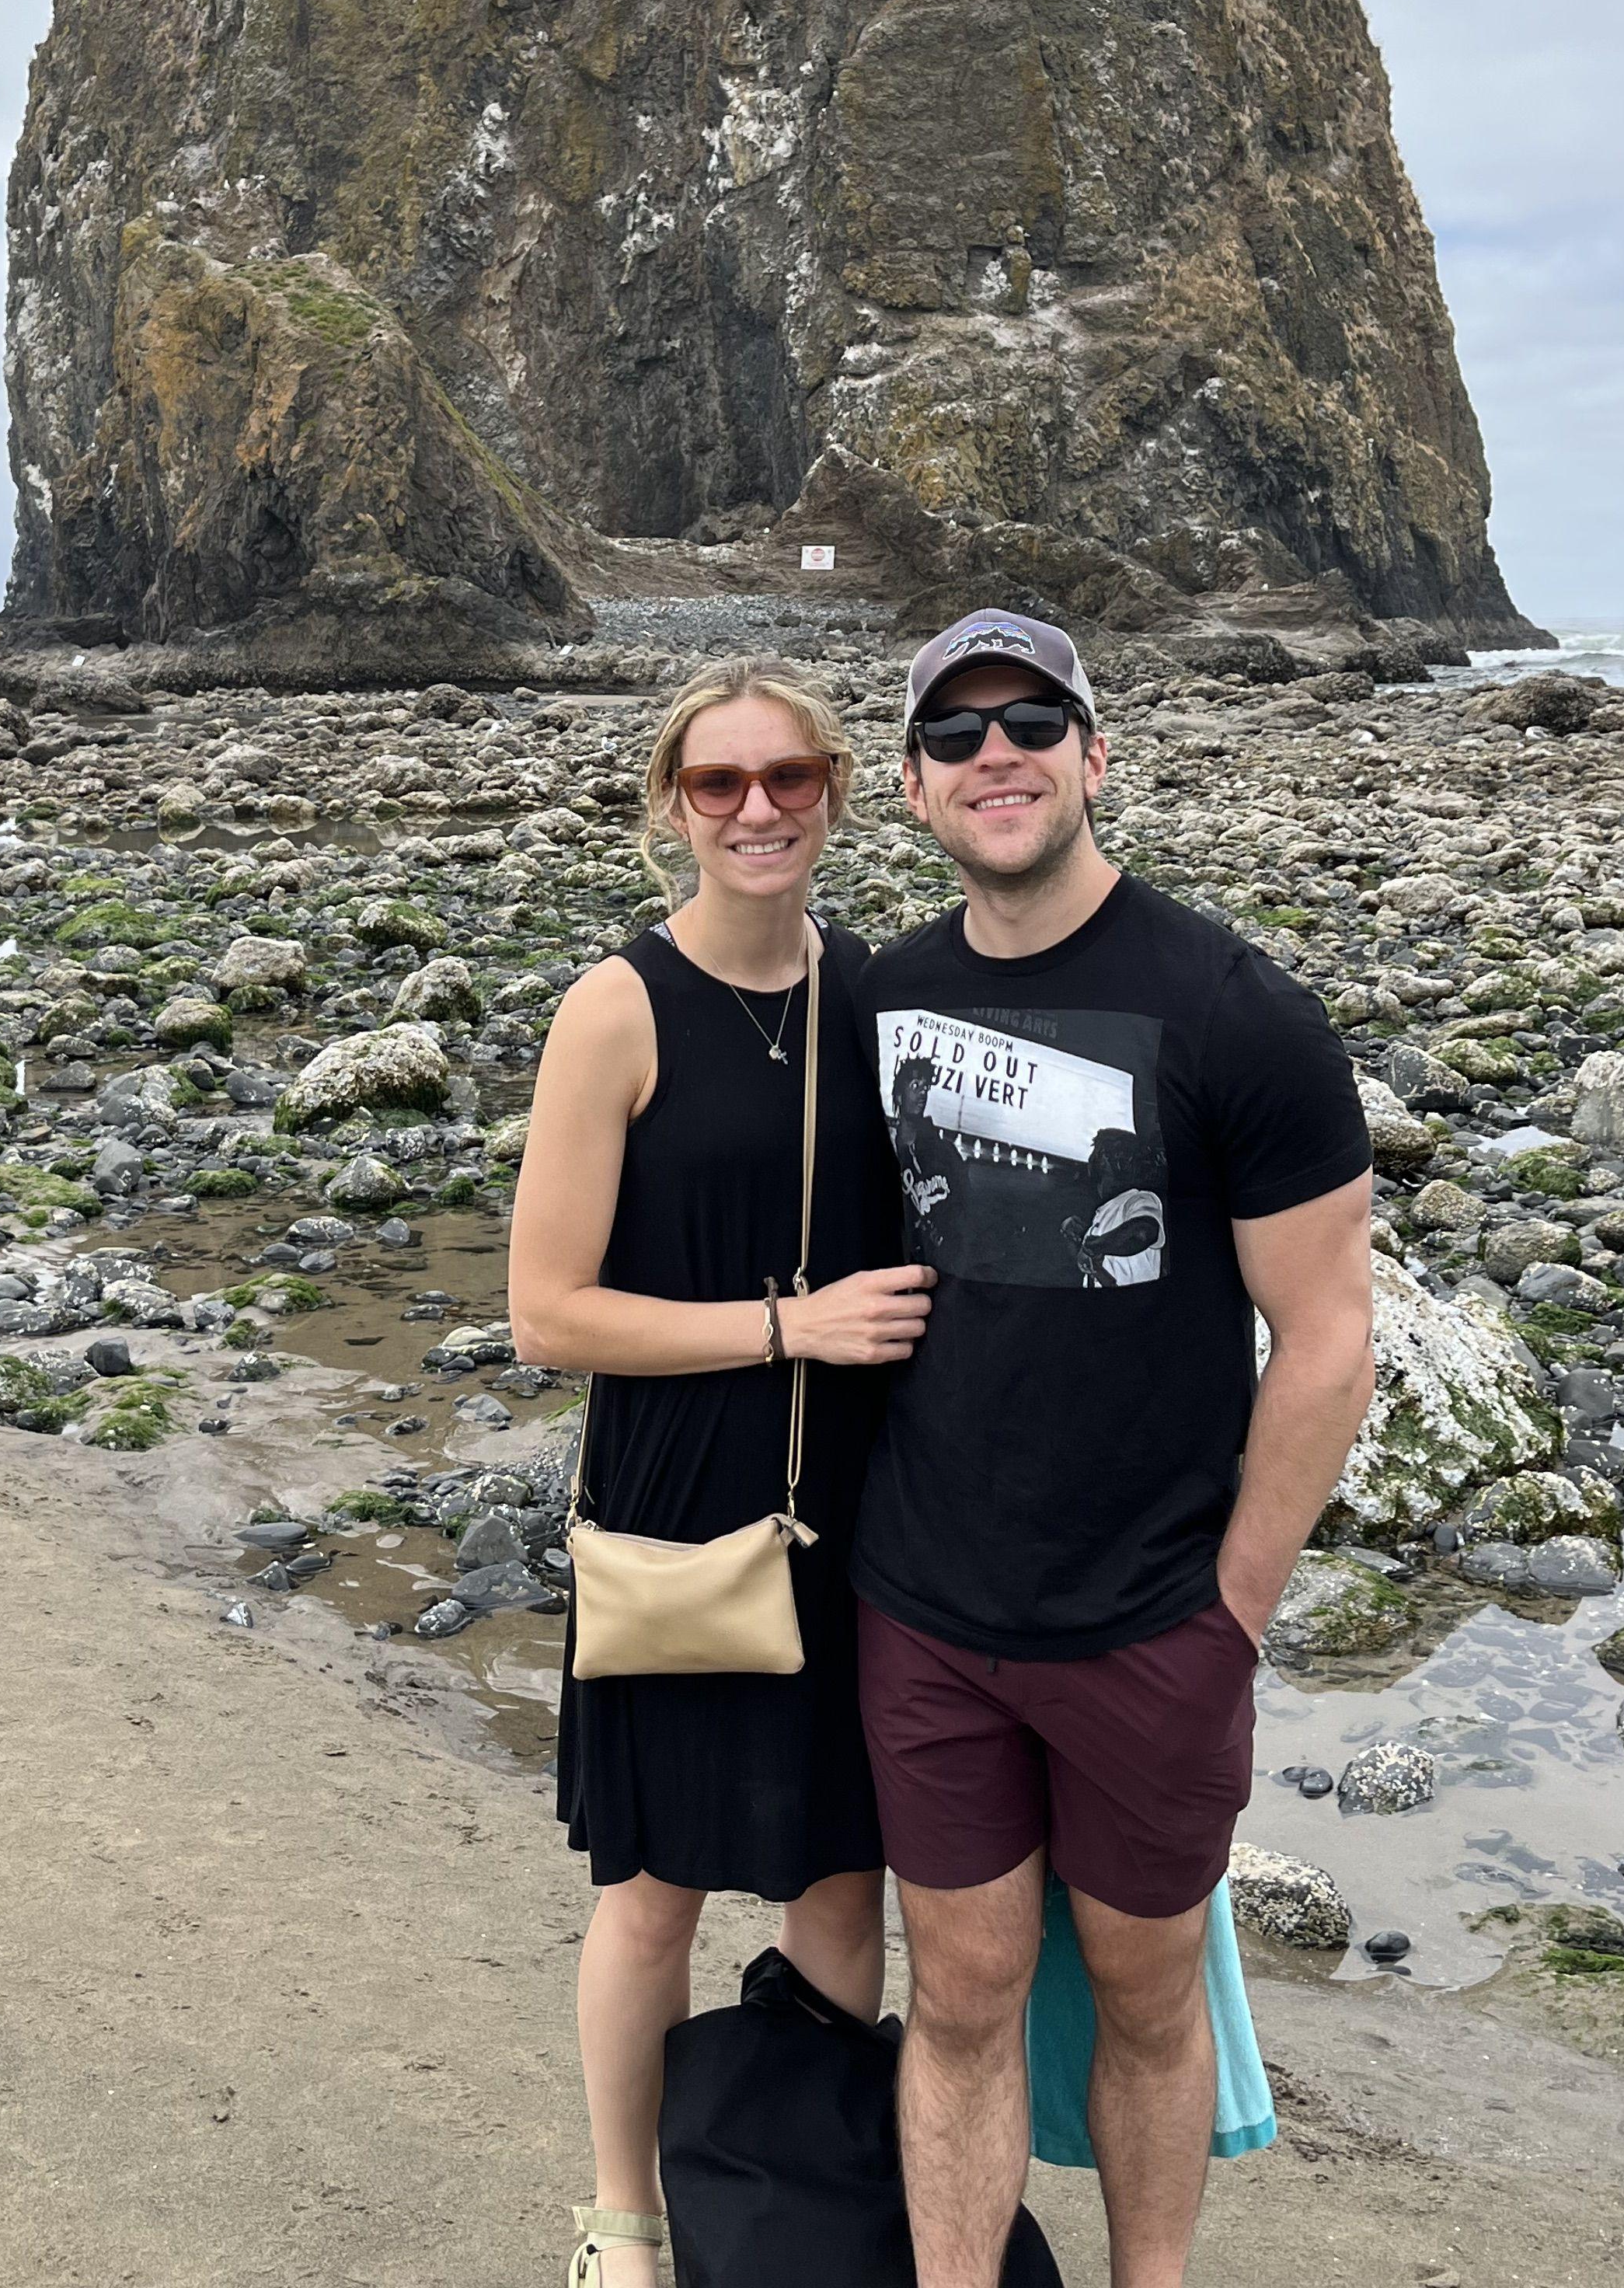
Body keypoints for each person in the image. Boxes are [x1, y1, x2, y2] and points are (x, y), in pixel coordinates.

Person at [852, 608, 1378, 2288]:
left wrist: (1230, 1611)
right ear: (916, 791)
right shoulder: (887, 999)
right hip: (927, 1609)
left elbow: (1330, 1339)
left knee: (1150, 2006)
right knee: (957, 1994)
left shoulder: (1239, 1012)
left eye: (1029, 722)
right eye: (954, 735)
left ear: (1096, 755)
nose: (992, 754)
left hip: (1153, 1623)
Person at [509, 657, 939, 2286]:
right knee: (659, 1885)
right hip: (682, 1507)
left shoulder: (886, 999)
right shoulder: (617, 1007)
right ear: (670, 809)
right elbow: (547, 1313)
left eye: (788, 780)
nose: (756, 811)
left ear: (837, 792)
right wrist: (791, 1326)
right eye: (718, 786)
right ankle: (625, 2218)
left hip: (860, 1518)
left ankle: (805, 2191)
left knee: (842, 1874)